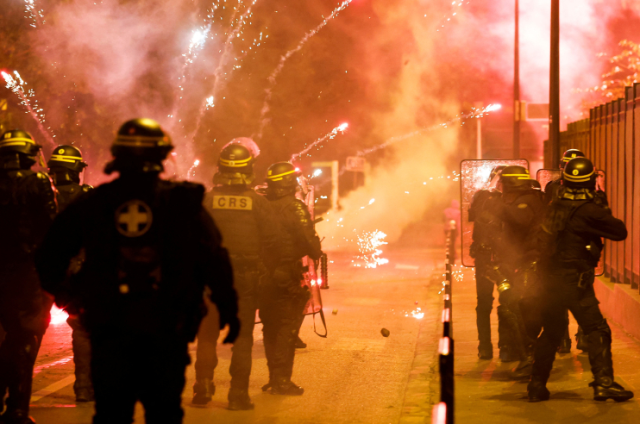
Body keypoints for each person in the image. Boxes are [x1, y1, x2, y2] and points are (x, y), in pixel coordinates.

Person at [35, 118, 240, 424]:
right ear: (162, 156)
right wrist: (229, 309)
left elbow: (49, 255)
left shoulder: (95, 202)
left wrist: (69, 299)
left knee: (113, 414)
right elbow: (214, 258)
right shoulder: (182, 202)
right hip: (166, 329)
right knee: (164, 413)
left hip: (110, 328)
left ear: (116, 155)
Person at [528, 157, 633, 402]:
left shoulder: (555, 205)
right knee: (597, 329)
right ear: (590, 181)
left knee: (552, 332)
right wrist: (600, 204)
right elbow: (619, 231)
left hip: (549, 281)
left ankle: (536, 386)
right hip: (575, 282)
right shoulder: (589, 210)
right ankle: (604, 383)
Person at [193, 139, 278, 410]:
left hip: (212, 280)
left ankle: (202, 387)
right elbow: (274, 242)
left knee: (207, 334)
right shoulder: (258, 203)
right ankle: (238, 394)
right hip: (245, 280)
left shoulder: (206, 200)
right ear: (249, 168)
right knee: (242, 338)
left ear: (221, 168)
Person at [0, 129, 57, 424]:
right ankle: (18, 409)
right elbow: (51, 229)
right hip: (27, 274)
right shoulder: (37, 183)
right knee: (23, 337)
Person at [261, 162, 322, 395]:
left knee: (270, 328)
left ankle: (272, 378)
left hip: (263, 275)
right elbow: (309, 241)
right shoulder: (296, 208)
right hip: (286, 276)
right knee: (287, 330)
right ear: (288, 183)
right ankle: (281, 381)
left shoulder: (261, 205)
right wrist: (317, 251)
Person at [47, 145, 94, 402]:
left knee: (18, 332)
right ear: (77, 170)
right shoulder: (88, 197)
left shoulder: (38, 194)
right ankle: (85, 388)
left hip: (38, 270)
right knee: (83, 329)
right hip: (79, 272)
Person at [492, 166, 545, 379]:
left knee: (524, 312)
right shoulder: (518, 201)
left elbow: (520, 221)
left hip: (529, 267)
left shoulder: (527, 202)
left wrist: (498, 208)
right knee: (513, 308)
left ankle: (530, 358)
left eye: (503, 183)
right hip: (518, 265)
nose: (501, 188)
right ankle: (521, 355)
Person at [544, 148, 587, 354]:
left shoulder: (589, 188)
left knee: (574, 296)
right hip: (566, 249)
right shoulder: (553, 187)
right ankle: (568, 338)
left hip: (573, 250)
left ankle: (575, 337)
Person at [468, 166, 507, 361]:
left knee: (507, 301)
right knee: (483, 302)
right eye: (497, 180)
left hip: (504, 258)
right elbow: (473, 213)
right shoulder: (483, 197)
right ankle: (485, 346)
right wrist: (491, 190)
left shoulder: (511, 200)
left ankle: (506, 345)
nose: (500, 184)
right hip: (484, 257)